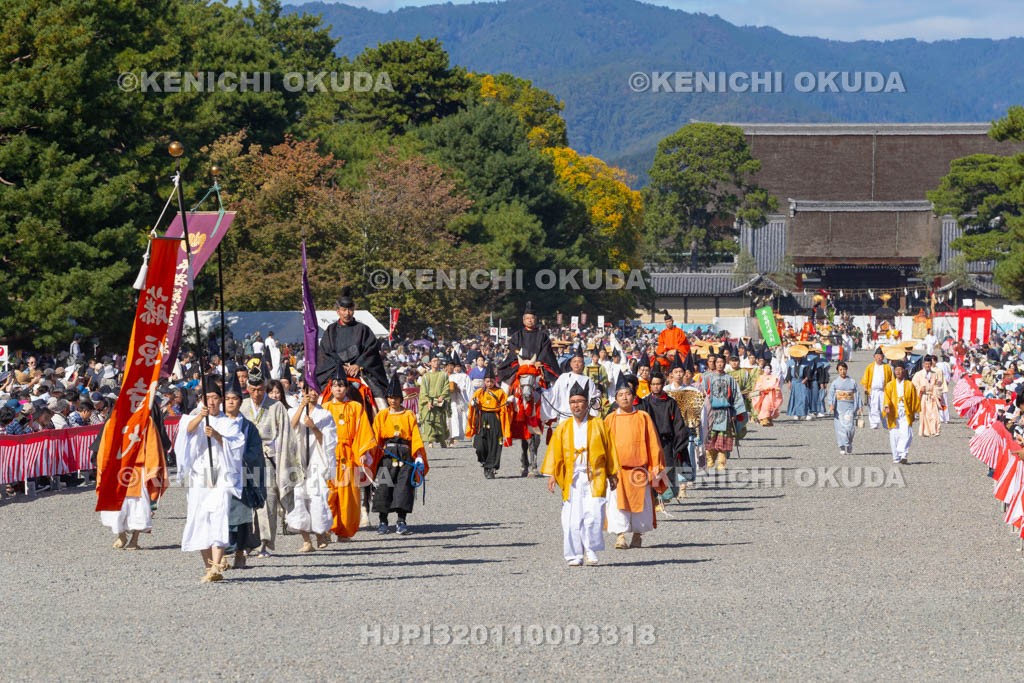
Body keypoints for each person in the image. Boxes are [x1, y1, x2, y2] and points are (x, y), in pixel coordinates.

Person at [541, 381, 620, 567]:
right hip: (572, 477)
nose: (576, 405)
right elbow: (555, 452)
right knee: (571, 518)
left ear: (587, 403)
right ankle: (574, 554)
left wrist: (612, 474)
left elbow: (610, 449)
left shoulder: (599, 424)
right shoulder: (563, 427)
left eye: (580, 401)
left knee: (594, 514)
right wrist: (553, 475)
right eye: (573, 402)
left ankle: (591, 549)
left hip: (595, 476)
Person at [175, 377, 245, 583]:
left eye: (215, 397)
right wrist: (200, 417)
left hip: (221, 475)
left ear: (220, 400)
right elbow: (186, 433)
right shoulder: (193, 418)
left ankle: (216, 564)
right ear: (201, 400)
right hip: (200, 476)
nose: (211, 402)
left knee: (219, 515)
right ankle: (208, 566)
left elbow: (236, 446)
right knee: (199, 517)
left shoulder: (229, 423)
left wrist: (216, 435)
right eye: (207, 398)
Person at [241, 367, 298, 558]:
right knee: (245, 501)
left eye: (260, 390)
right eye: (253, 390)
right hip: (244, 460)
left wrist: (282, 461)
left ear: (265, 387)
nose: (256, 394)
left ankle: (264, 543)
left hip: (268, 458)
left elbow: (286, 436)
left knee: (268, 501)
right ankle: (247, 541)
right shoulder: (242, 405)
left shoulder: (276, 407)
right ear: (248, 388)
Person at [605, 376, 665, 549]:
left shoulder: (643, 417)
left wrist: (656, 467)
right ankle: (620, 536)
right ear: (616, 399)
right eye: (620, 395)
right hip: (618, 471)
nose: (624, 397)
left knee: (641, 504)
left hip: (639, 470)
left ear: (634, 396)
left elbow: (653, 443)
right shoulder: (610, 419)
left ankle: (638, 535)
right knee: (617, 504)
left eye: (628, 394)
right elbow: (604, 446)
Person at [322, 371, 377, 540]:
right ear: (331, 388)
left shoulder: (356, 407)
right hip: (329, 454)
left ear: (347, 388)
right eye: (335, 386)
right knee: (328, 493)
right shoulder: (325, 407)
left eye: (341, 386)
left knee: (348, 495)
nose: (338, 389)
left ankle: (344, 531)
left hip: (349, 454)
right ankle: (325, 528)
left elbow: (362, 431)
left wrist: (363, 451)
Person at [372, 373, 428, 535]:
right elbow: (375, 437)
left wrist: (418, 456)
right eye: (390, 398)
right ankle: (383, 522)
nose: (393, 401)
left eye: (396, 398)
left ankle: (401, 521)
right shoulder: (382, 415)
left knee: (403, 488)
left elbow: (415, 435)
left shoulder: (408, 414)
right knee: (383, 487)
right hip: (387, 455)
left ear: (401, 399)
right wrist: (370, 454)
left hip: (405, 454)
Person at [287, 384, 340, 551]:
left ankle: (320, 533)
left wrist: (314, 427)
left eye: (316, 391)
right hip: (297, 460)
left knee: (317, 496)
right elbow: (290, 429)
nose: (313, 394)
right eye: (310, 390)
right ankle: (306, 539)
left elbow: (329, 441)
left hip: (316, 460)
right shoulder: (293, 410)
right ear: (303, 392)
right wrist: (301, 407)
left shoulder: (325, 414)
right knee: (298, 497)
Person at [316, 286, 389, 409]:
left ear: (354, 310)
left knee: (381, 401)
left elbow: (371, 350)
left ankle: (383, 418)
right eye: (344, 310)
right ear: (338, 311)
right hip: (335, 372)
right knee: (320, 399)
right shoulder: (331, 330)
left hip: (361, 373)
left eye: (350, 309)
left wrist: (358, 364)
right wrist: (340, 366)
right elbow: (326, 352)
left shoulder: (363, 329)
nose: (347, 313)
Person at [221, 374, 265, 568]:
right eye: (227, 399)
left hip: (241, 476)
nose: (231, 402)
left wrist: (239, 457)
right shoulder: (216, 422)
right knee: (220, 515)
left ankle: (240, 552)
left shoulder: (247, 426)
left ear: (241, 401)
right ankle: (221, 554)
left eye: (234, 399)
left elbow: (255, 451)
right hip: (220, 476)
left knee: (241, 517)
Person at [638, 368, 686, 506]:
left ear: (663, 384)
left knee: (667, 469)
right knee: (652, 470)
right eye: (653, 384)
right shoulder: (645, 402)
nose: (655, 387)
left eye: (658, 384)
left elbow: (678, 424)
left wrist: (679, 443)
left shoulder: (670, 402)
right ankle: (654, 500)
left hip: (666, 442)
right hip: (650, 442)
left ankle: (665, 496)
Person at [701, 354, 747, 472]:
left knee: (723, 438)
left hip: (725, 412)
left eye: (722, 362)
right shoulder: (707, 378)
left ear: (725, 364)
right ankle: (710, 459)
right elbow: (701, 395)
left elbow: (736, 395)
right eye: (718, 362)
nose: (720, 364)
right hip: (710, 412)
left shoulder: (729, 379)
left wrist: (735, 412)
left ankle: (721, 462)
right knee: (710, 437)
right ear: (714, 363)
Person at [496, 301, 561, 386]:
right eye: (527, 318)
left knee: (548, 382)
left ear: (535, 320)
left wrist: (539, 361)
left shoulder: (542, 336)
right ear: (524, 321)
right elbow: (513, 347)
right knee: (507, 380)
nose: (530, 320)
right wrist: (522, 360)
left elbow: (546, 350)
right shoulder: (517, 335)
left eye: (532, 318)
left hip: (537, 364)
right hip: (520, 363)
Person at [466, 365, 511, 479]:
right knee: (480, 445)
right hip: (482, 418)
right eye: (487, 381)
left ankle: (491, 468)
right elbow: (473, 402)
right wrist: (473, 403)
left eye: (491, 381)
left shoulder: (500, 392)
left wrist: (507, 405)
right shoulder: (479, 392)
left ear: (495, 381)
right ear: (484, 381)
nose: (489, 384)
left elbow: (504, 408)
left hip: (495, 418)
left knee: (495, 444)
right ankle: (484, 461)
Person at [542, 348, 601, 422]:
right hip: (565, 417)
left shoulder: (588, 380)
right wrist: (542, 392)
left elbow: (594, 397)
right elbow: (553, 393)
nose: (576, 364)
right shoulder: (563, 377)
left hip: (582, 418)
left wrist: (594, 401)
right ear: (571, 364)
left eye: (579, 362)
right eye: (574, 361)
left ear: (583, 364)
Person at [884, 362, 920, 465]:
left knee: (907, 434)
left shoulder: (909, 384)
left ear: (904, 371)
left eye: (900, 370)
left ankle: (903, 454)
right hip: (894, 413)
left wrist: (915, 413)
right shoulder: (890, 385)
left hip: (905, 412)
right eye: (896, 370)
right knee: (894, 435)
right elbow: (886, 398)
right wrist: (886, 406)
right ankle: (896, 457)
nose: (898, 372)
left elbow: (914, 399)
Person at [825, 361, 861, 454]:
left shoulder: (852, 382)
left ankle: (849, 443)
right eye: (840, 369)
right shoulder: (835, 383)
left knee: (849, 428)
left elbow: (857, 394)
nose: (842, 371)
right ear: (838, 371)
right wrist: (831, 404)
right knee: (840, 428)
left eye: (844, 369)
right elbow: (831, 394)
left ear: (847, 370)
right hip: (839, 409)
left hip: (849, 407)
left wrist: (859, 406)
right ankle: (842, 447)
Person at [417, 354, 451, 447]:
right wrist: (428, 401)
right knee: (429, 421)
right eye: (434, 361)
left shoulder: (443, 375)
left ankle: (442, 440)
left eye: (437, 360)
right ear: (430, 363)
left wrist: (442, 396)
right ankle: (430, 441)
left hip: (440, 401)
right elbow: (423, 390)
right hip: (429, 401)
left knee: (441, 421)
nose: (436, 363)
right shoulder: (426, 376)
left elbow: (446, 387)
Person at [912, 355, 946, 437]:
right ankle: (925, 431)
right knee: (924, 415)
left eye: (929, 364)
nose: (928, 366)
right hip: (923, 396)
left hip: (932, 396)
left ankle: (935, 430)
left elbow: (938, 385)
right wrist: (920, 388)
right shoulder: (918, 374)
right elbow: (913, 385)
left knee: (934, 414)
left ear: (931, 364)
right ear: (923, 364)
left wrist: (936, 389)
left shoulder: (934, 374)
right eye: (926, 364)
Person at [861, 348, 893, 429]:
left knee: (884, 407)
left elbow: (891, 380)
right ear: (874, 357)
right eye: (877, 356)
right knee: (873, 407)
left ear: (883, 357)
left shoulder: (887, 367)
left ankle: (886, 423)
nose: (879, 358)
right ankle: (874, 424)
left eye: (880, 356)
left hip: (883, 391)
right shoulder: (870, 367)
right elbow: (865, 379)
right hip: (873, 391)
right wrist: (865, 388)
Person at [447, 359, 472, 445]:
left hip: (463, 398)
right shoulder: (450, 376)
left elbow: (469, 389)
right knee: (453, 417)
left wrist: (469, 399)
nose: (457, 368)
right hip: (452, 398)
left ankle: (460, 434)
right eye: (455, 367)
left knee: (463, 417)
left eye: (458, 367)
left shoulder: (465, 376)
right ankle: (451, 435)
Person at [751, 362, 782, 427]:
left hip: (771, 394)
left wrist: (773, 388)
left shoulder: (774, 377)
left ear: (770, 369)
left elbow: (777, 386)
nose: (767, 370)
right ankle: (764, 419)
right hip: (763, 395)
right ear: (763, 369)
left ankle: (769, 419)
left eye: (768, 368)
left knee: (770, 407)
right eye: (766, 368)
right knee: (765, 406)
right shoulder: (761, 377)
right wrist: (762, 389)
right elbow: (758, 386)